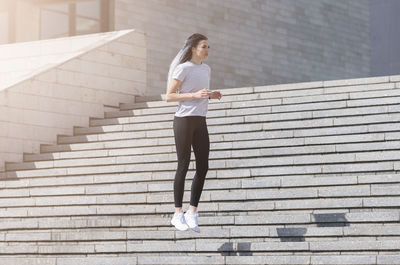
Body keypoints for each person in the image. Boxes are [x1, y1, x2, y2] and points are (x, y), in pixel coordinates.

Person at [166, 33, 222, 232]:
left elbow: (200, 93)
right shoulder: (183, 68)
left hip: (200, 121)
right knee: (183, 165)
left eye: (209, 47)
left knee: (203, 166)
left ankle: (192, 212)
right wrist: (194, 95)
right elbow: (169, 96)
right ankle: (177, 213)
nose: (207, 50)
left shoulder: (206, 69)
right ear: (193, 49)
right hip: (183, 121)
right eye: (204, 46)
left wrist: (210, 95)